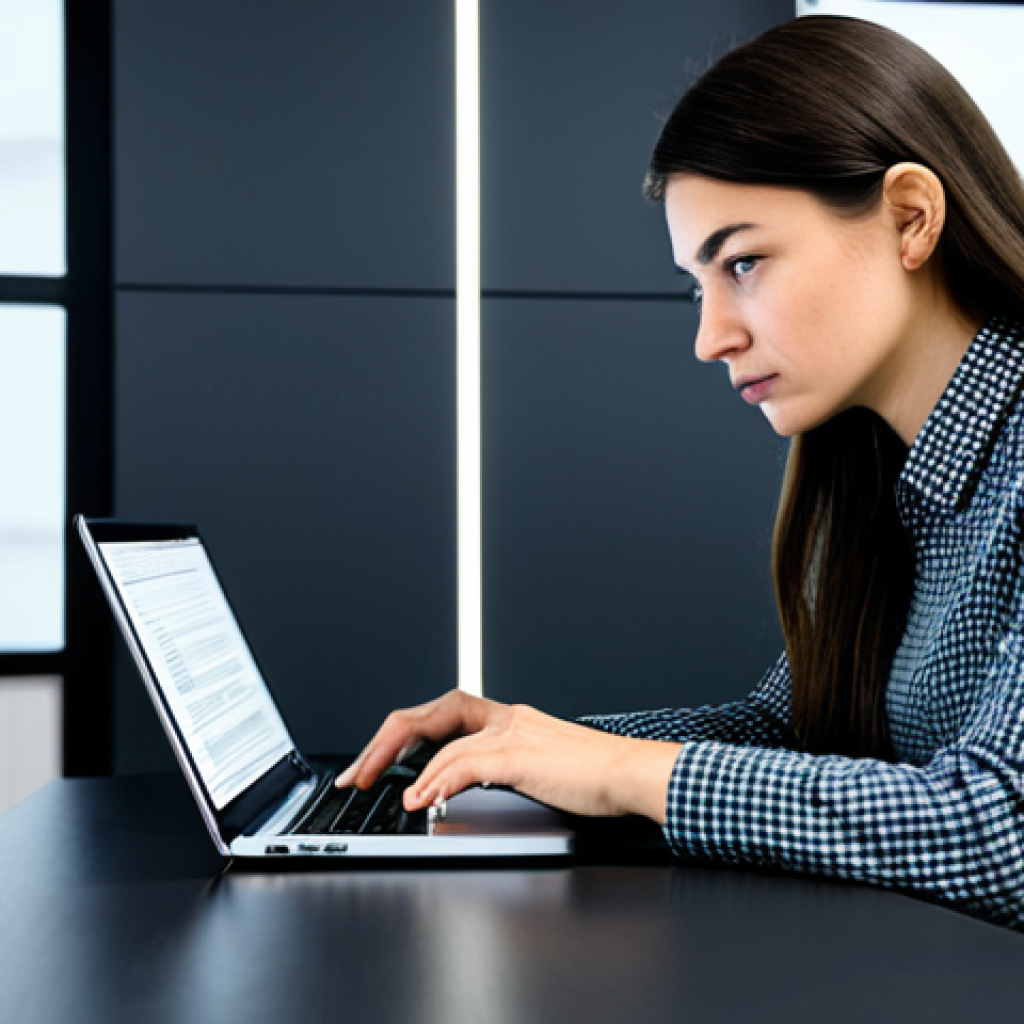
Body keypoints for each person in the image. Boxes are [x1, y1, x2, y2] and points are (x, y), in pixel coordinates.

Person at [337, 15, 1024, 929]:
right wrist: (528, 744)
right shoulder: (874, 469)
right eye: (698, 285)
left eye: (744, 263)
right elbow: (790, 729)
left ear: (910, 217)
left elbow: (1004, 831)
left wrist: (622, 775)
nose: (711, 338)